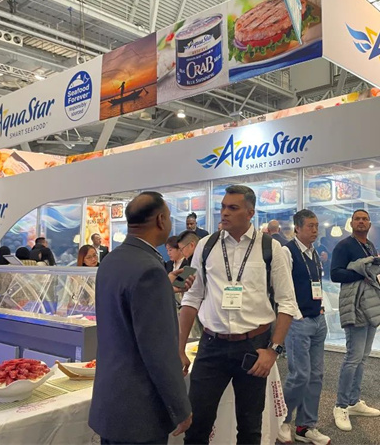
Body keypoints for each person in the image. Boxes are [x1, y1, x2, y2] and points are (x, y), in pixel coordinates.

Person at [179, 185, 299, 445]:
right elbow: (191, 297)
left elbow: (287, 303)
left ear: (250, 213)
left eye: (233, 208)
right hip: (211, 346)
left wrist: (273, 351)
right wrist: (179, 347)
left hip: (253, 347)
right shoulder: (206, 245)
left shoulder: (271, 248)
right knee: (197, 425)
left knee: (249, 427)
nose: (225, 213)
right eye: (223, 207)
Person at [89, 192, 192, 444]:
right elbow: (158, 351)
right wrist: (180, 407)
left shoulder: (111, 260)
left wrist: (164, 287)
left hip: (110, 402)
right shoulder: (149, 269)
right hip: (139, 411)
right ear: (160, 220)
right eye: (169, 216)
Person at [330, 209, 380, 431]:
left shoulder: (370, 246)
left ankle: (354, 401)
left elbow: (372, 273)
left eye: (365, 219)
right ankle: (341, 405)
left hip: (370, 304)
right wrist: (363, 274)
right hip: (354, 305)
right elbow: (335, 274)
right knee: (353, 357)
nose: (361, 222)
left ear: (370, 224)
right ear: (351, 223)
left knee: (363, 357)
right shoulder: (344, 246)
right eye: (358, 219)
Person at [278, 210, 330, 445]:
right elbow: (282, 288)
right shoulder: (287, 252)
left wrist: (321, 308)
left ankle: (306, 426)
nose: (315, 230)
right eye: (310, 226)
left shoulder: (314, 252)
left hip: (318, 320)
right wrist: (296, 315)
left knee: (316, 376)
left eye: (316, 225)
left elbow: (315, 284)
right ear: (297, 228)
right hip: (298, 322)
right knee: (299, 375)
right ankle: (282, 420)